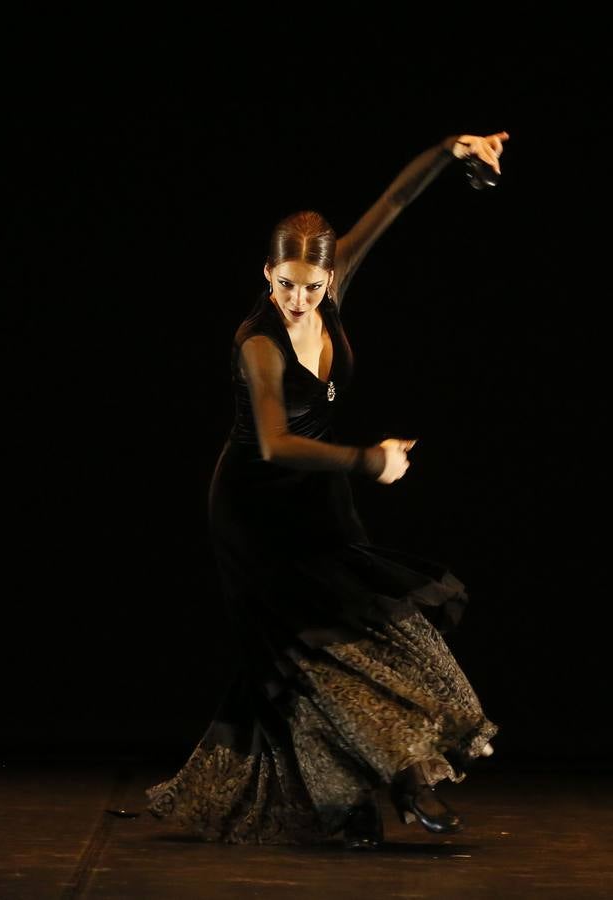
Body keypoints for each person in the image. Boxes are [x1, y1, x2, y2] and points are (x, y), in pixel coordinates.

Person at [143, 131, 508, 851]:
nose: (299, 301)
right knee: (305, 659)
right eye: (285, 285)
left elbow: (395, 201)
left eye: (312, 286)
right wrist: (368, 462)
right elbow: (276, 443)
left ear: (328, 275)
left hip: (318, 501)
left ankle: (352, 801)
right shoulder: (257, 342)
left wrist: (450, 149)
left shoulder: (331, 287)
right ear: (267, 274)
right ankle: (401, 784)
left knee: (372, 626)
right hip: (252, 514)